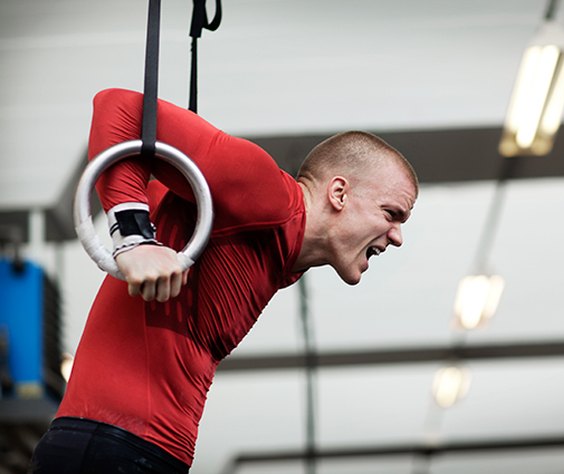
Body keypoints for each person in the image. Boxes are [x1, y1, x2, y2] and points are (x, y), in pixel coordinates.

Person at [29, 88, 418, 473]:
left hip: (138, 451)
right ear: (339, 194)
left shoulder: (281, 254)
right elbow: (120, 107)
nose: (397, 236)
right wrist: (133, 237)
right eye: (392, 214)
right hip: (112, 446)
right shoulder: (268, 196)